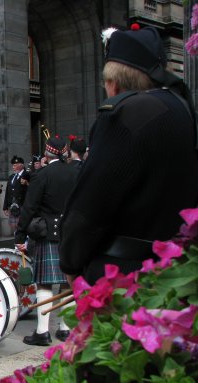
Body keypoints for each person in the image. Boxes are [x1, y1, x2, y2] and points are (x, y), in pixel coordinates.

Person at [60, 26, 198, 285]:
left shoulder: (125, 112)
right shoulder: (183, 109)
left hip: (123, 278)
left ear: (113, 83)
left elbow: (89, 206)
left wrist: (70, 263)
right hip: (177, 271)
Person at [15, 136, 78, 346]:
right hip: (71, 233)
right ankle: (66, 329)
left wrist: (20, 235)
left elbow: (29, 207)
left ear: (47, 154)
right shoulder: (77, 171)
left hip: (48, 233)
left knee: (44, 283)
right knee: (67, 283)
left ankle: (42, 332)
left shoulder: (42, 174)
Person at [3, 156, 30, 235]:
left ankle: (24, 244)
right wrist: (5, 207)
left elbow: (33, 189)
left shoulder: (27, 175)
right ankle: (17, 243)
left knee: (23, 226)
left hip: (23, 204)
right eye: (13, 165)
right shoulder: (11, 177)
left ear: (21, 165)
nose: (13, 167)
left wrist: (27, 183)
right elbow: (7, 192)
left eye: (15, 165)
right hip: (12, 205)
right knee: (14, 226)